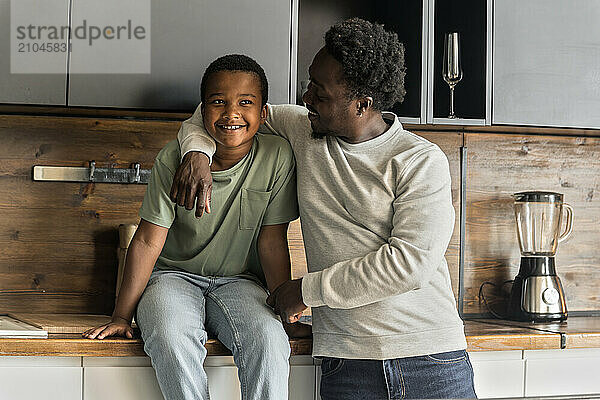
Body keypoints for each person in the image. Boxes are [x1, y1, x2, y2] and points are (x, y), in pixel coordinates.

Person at [171, 18, 477, 400]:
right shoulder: (303, 129)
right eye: (309, 83)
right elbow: (214, 114)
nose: (306, 98)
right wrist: (197, 152)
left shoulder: (419, 160)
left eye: (320, 92)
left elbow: (408, 264)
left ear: (362, 104)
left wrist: (306, 290)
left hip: (429, 361)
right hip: (344, 364)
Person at [82, 54, 310, 400]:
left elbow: (272, 241)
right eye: (218, 102)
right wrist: (121, 315)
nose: (231, 113)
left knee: (267, 338)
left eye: (245, 103)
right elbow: (146, 241)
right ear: (202, 110)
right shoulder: (174, 158)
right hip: (172, 278)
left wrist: (283, 310)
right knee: (170, 333)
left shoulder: (278, 156)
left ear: (263, 114)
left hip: (241, 283)